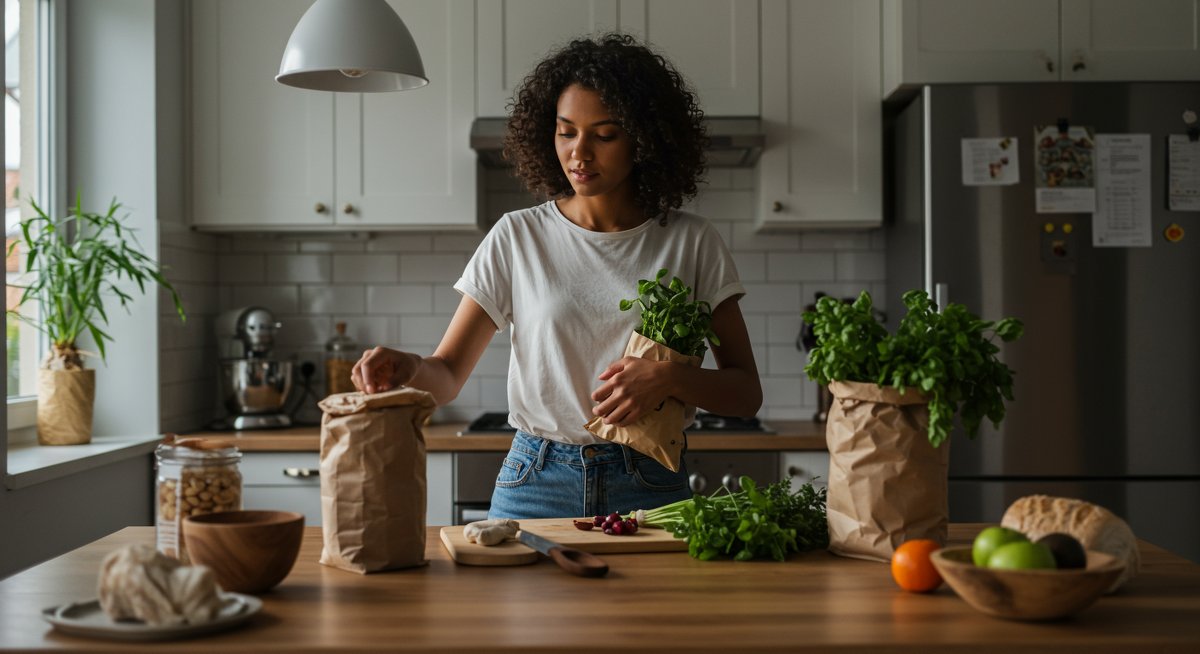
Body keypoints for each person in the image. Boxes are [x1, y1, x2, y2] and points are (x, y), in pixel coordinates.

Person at [352, 33, 762, 520]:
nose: (579, 153)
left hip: (650, 482)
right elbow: (446, 376)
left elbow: (745, 394)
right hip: (535, 481)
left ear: (644, 139)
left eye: (604, 135)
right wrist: (409, 371)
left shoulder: (692, 241)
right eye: (566, 131)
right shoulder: (517, 236)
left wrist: (670, 378)